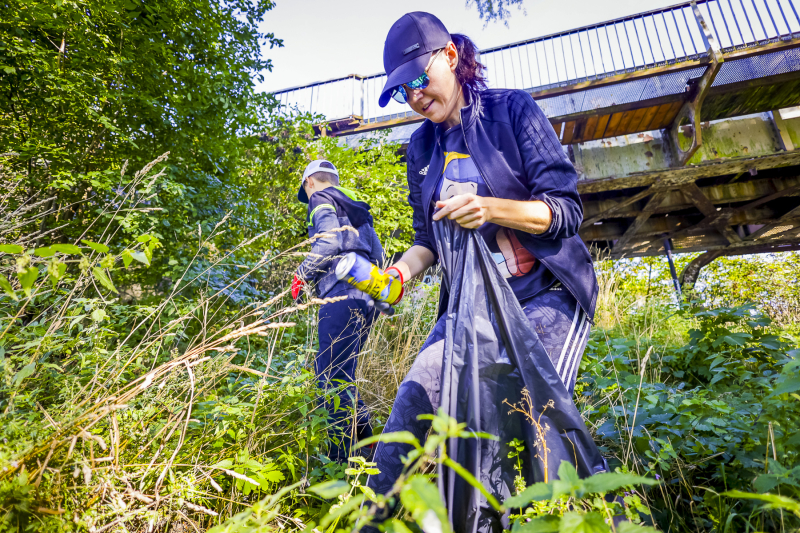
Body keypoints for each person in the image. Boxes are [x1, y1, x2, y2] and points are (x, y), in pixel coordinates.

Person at [367, 10, 600, 523]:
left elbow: (564, 209)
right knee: (412, 403)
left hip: (547, 294)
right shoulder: (421, 147)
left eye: (418, 81)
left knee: (528, 422)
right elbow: (426, 239)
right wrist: (398, 275)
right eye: (401, 91)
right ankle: (372, 517)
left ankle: (575, 513)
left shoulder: (511, 111)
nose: (414, 97)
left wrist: (490, 210)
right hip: (471, 305)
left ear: (450, 56)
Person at [291, 159, 385, 463]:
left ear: (310, 184)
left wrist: (302, 274)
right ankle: (369, 446)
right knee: (343, 376)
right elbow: (380, 256)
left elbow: (329, 241)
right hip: (368, 295)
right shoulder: (357, 206)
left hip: (339, 295)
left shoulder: (319, 198)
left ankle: (338, 463)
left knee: (330, 379)